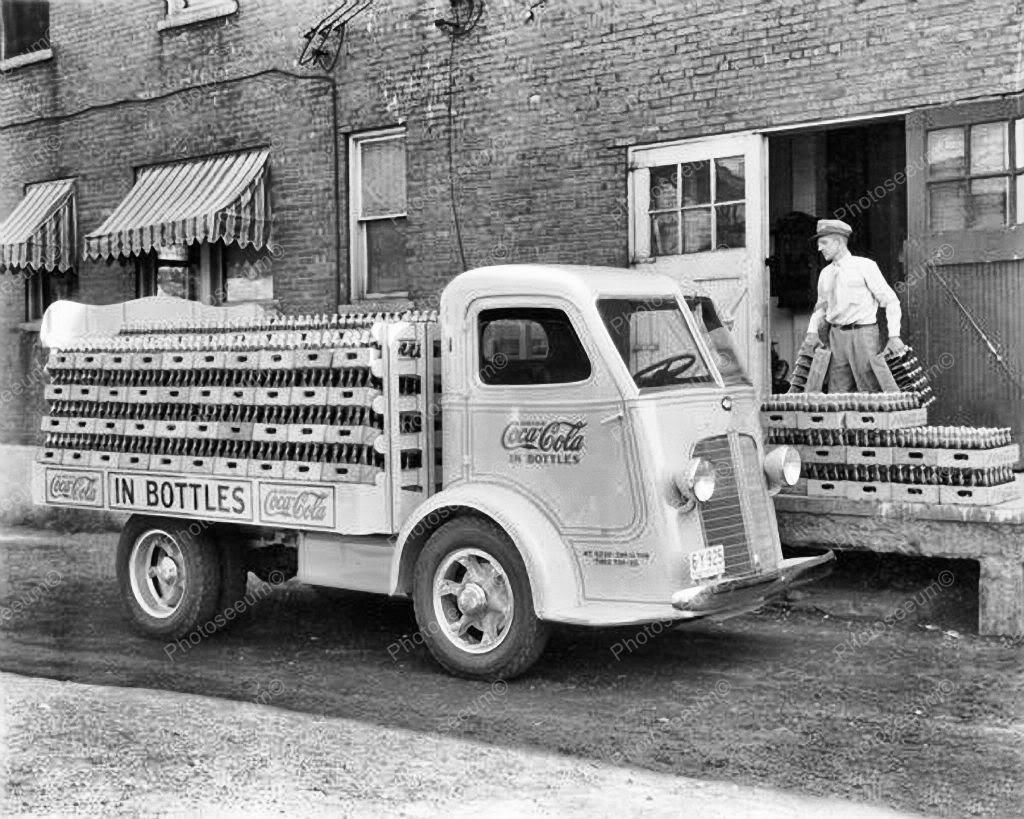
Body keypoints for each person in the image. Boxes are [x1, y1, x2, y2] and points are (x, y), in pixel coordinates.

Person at [803, 219, 907, 392]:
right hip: (836, 336)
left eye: (824, 242)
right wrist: (812, 331)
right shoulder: (825, 274)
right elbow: (821, 308)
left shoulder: (865, 266)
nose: (819, 248)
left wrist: (894, 336)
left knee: (870, 389)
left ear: (838, 242)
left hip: (863, 334)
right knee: (837, 392)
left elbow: (891, 301)